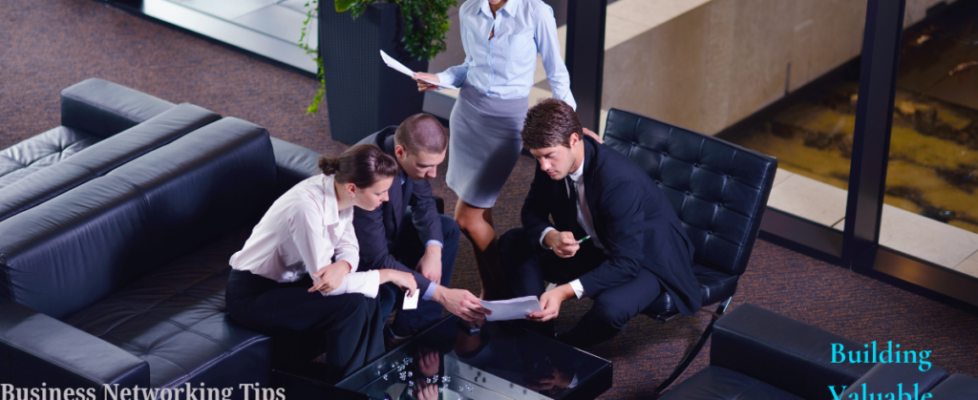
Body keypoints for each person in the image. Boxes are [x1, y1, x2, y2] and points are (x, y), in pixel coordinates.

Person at [412, 0, 594, 299]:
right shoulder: (471, 9)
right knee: (480, 212)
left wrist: (569, 126)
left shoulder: (535, 12)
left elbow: (557, 74)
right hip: (467, 114)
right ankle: (490, 291)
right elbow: (470, 66)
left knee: (466, 218)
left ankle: (505, 292)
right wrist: (440, 79)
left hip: (505, 124)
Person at [498, 99, 702, 348]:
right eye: (537, 158)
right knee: (513, 242)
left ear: (573, 140)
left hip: (647, 258)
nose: (544, 166)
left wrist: (563, 291)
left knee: (611, 309)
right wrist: (551, 236)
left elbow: (627, 261)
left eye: (549, 157)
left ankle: (564, 349)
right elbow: (531, 210)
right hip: (596, 244)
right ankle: (538, 333)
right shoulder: (550, 161)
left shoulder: (617, 181)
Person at [225, 144, 419, 382]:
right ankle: (349, 387)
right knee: (352, 305)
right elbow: (327, 285)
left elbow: (349, 246)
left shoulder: (341, 194)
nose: (386, 198)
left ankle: (369, 378)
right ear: (353, 188)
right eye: (380, 193)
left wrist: (344, 265)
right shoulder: (306, 208)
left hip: (293, 282)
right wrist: (388, 274)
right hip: (253, 295)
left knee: (377, 296)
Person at [354, 114, 490, 345]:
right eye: (426, 167)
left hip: (387, 229)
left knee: (446, 229)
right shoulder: (367, 173)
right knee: (385, 294)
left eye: (437, 165)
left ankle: (412, 326)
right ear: (399, 152)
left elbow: (425, 202)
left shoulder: (411, 146)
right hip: (357, 252)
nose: (433, 174)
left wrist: (433, 252)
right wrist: (443, 295)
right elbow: (376, 257)